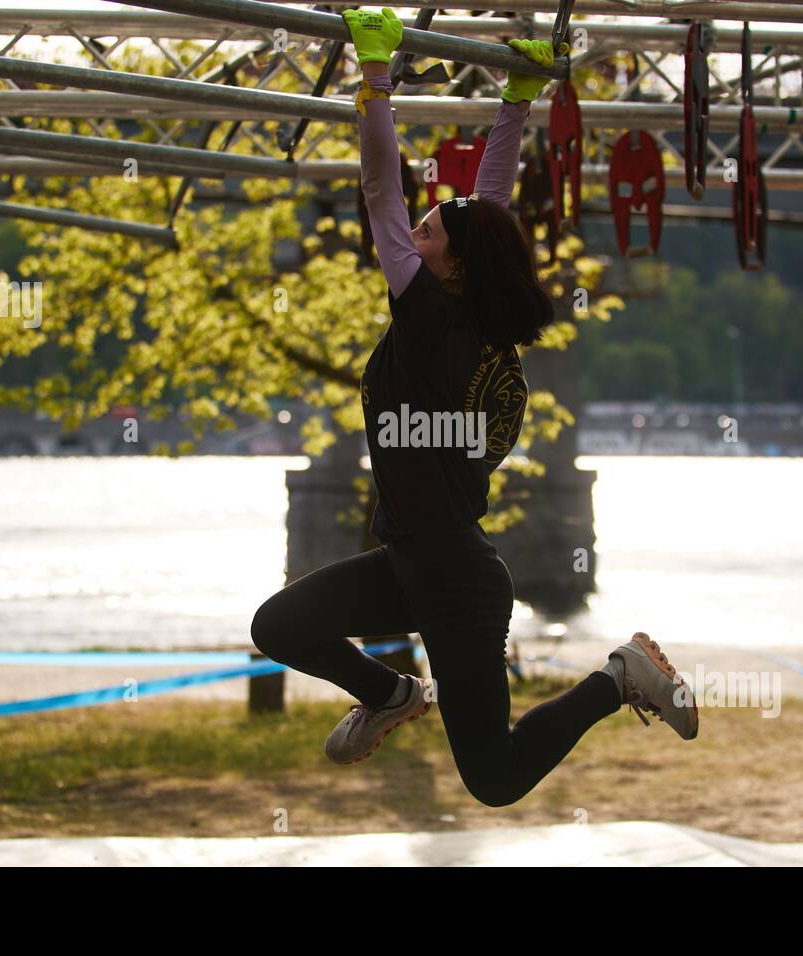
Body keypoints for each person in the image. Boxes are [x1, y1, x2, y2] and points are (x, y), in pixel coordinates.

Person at [250, 9, 697, 809]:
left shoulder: (431, 322)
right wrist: (515, 103)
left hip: (453, 576)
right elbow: (486, 208)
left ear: (445, 268)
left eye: (421, 235)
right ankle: (391, 695)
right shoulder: (474, 318)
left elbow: (380, 186)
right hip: (414, 561)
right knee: (279, 626)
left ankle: (617, 676)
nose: (407, 237)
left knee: (492, 777)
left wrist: (378, 80)